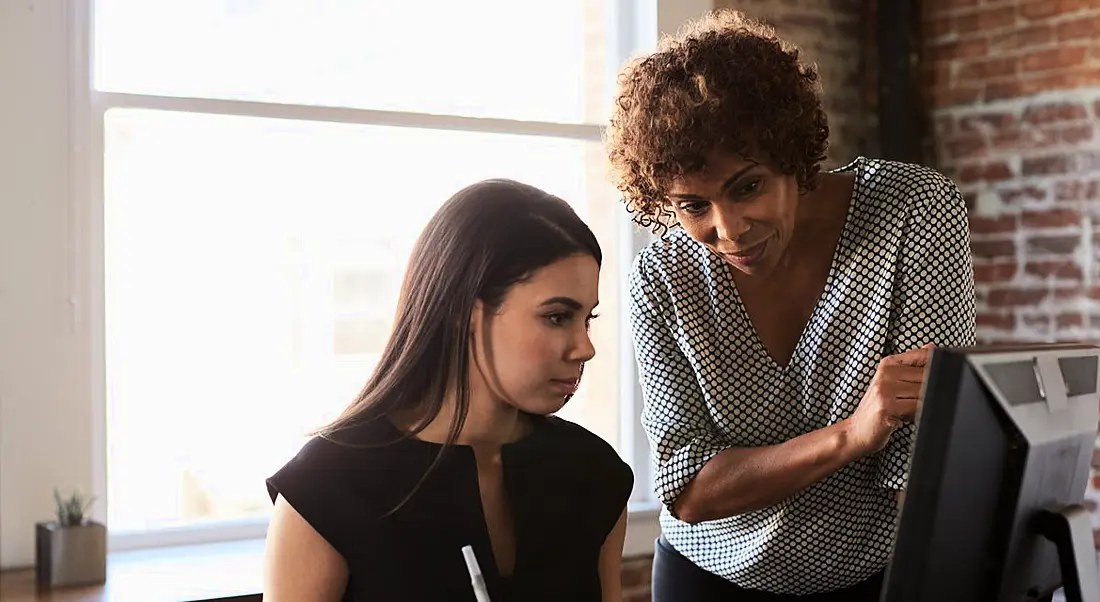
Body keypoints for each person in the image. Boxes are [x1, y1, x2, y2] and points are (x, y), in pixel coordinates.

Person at [604, 9, 976, 602]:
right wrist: (851, 435)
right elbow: (689, 488)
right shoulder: (662, 275)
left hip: (868, 574)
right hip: (708, 576)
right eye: (692, 205)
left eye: (747, 186)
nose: (728, 230)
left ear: (793, 155)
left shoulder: (911, 211)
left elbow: (921, 455)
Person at [262, 179, 634, 602]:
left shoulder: (596, 474)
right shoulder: (324, 488)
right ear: (463, 311)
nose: (585, 348)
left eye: (587, 319)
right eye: (556, 317)